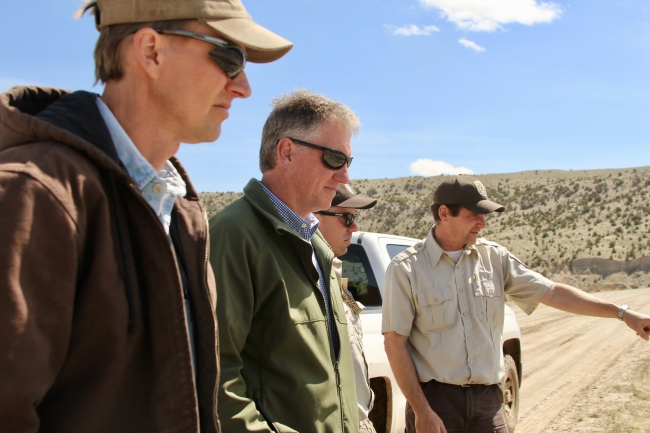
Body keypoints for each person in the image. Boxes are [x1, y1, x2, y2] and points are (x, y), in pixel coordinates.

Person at [0, 1, 292, 432]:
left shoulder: (182, 212)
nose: (243, 87)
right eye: (229, 58)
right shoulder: (35, 194)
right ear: (151, 51)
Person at [382, 175, 650, 433]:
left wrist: (623, 314)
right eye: (474, 215)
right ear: (444, 213)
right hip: (436, 403)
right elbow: (395, 343)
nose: (483, 224)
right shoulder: (406, 269)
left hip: (489, 403)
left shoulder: (495, 258)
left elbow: (554, 293)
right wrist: (422, 412)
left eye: (484, 215)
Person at [209, 89, 360, 433]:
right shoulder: (233, 236)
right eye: (334, 158)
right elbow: (216, 382)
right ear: (287, 151)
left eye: (348, 162)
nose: (345, 176)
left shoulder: (317, 245)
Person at [314, 183, 379, 433]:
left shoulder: (334, 273)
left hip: (358, 420)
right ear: (314, 217)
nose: (355, 227)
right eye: (347, 218)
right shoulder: (300, 281)